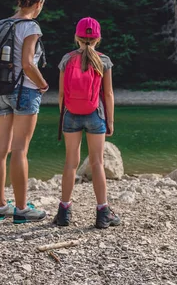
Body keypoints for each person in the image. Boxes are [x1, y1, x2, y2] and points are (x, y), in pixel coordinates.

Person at [0, 0, 49, 224]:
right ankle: (22, 209)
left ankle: (1, 206)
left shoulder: (3, 24)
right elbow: (27, 63)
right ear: (39, 3)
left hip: (0, 90)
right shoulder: (30, 26)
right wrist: (43, 83)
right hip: (24, 91)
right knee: (20, 150)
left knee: (1, 148)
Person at [56, 17, 120, 229]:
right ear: (98, 38)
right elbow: (108, 94)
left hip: (71, 114)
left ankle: (64, 212)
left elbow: (62, 94)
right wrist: (109, 121)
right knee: (97, 163)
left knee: (70, 163)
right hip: (96, 114)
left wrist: (65, 114)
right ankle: (103, 213)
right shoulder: (104, 60)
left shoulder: (66, 59)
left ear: (76, 37)